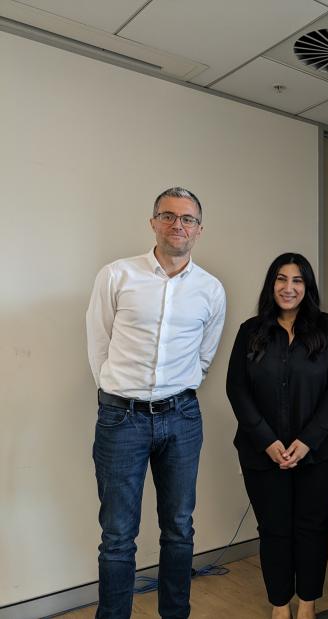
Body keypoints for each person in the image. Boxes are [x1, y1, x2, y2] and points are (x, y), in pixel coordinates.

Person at [85, 187, 226, 618]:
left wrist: (178, 388)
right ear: (153, 223)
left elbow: (205, 354)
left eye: (187, 219)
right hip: (121, 417)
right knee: (117, 535)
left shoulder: (211, 289)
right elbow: (99, 344)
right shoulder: (116, 276)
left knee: (179, 530)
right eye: (168, 216)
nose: (177, 225)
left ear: (199, 229)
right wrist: (120, 391)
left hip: (182, 418)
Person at [226, 253, 328, 619]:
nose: (288, 287)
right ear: (271, 285)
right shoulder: (251, 331)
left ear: (307, 287)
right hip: (262, 451)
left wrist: (309, 439)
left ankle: (308, 605)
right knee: (274, 529)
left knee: (312, 527)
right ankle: (280, 606)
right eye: (281, 279)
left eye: (297, 280)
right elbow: (237, 389)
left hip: (322, 451)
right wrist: (266, 440)